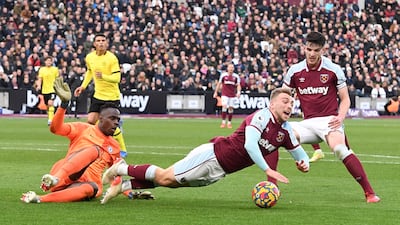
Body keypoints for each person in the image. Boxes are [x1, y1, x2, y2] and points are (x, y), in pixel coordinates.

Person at [100, 88, 310, 204]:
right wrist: (267, 169)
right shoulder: (262, 116)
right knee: (165, 176)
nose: (289, 105)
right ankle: (121, 168)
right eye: (285, 101)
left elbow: (300, 154)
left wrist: (304, 163)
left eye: (292, 103)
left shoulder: (286, 131)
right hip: (213, 156)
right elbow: (250, 145)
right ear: (272, 104)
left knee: (171, 183)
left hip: (221, 170)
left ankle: (124, 186)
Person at [283, 31, 380, 203]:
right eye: (309, 49)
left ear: (323, 50)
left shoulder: (333, 70)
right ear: (304, 48)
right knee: (278, 133)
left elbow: (345, 99)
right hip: (307, 124)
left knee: (340, 150)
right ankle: (273, 183)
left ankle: (370, 193)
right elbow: (283, 98)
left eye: (316, 50)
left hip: (329, 121)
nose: (312, 54)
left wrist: (340, 117)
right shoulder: (295, 71)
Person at [20, 77, 121, 203]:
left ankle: (39, 199)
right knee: (94, 151)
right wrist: (63, 106)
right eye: (112, 118)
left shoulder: (115, 146)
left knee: (91, 188)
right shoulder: (83, 128)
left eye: (118, 119)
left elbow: (117, 174)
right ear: (100, 118)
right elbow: (55, 129)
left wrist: (131, 193)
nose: (116, 122)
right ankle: (56, 179)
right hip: (64, 173)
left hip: (86, 184)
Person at [73, 33, 128, 158]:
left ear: (106, 43)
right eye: (98, 40)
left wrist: (103, 76)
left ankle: (122, 148)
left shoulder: (112, 58)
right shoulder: (90, 57)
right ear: (94, 44)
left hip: (111, 96)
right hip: (98, 95)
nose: (101, 43)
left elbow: (117, 78)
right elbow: (90, 71)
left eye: (103, 40)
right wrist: (83, 86)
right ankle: (96, 143)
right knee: (91, 121)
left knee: (108, 123)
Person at [213, 63, 241, 129]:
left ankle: (229, 123)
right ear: (227, 68)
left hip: (232, 95)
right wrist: (216, 92)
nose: (231, 69)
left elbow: (238, 85)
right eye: (230, 67)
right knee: (224, 106)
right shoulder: (223, 75)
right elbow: (219, 84)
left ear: (233, 69)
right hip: (224, 94)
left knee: (231, 108)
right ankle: (223, 122)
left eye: (232, 68)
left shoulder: (236, 76)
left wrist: (238, 92)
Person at [36, 56, 59, 125]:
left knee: (50, 103)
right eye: (47, 61)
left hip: (53, 90)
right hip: (45, 90)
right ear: (45, 62)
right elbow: (40, 79)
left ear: (52, 62)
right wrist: (39, 86)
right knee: (47, 106)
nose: (49, 62)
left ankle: (50, 120)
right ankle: (51, 116)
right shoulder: (42, 70)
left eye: (50, 61)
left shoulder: (55, 69)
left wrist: (58, 87)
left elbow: (57, 79)